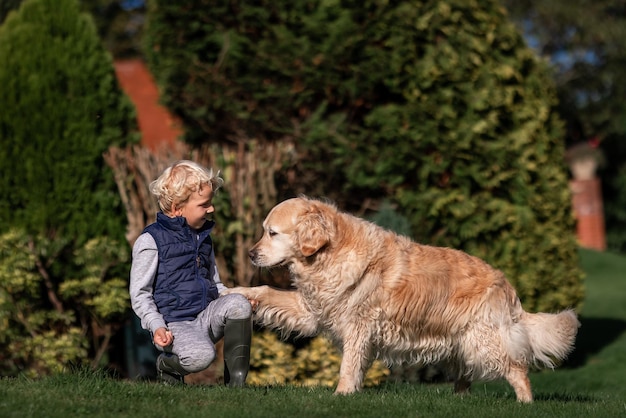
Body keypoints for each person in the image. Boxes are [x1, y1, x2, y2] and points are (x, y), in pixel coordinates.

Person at [130, 160, 253, 386]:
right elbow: (140, 294)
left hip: (205, 316)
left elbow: (215, 283)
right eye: (204, 205)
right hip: (174, 324)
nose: (211, 209)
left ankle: (236, 385)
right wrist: (156, 325)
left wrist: (238, 299)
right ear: (178, 207)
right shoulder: (151, 241)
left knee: (239, 304)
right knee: (202, 357)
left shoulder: (203, 237)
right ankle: (166, 366)